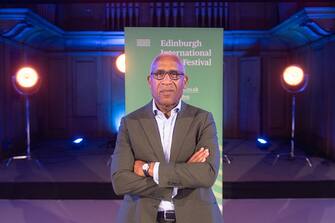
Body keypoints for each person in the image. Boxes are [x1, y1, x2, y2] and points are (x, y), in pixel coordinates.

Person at [110, 53, 221, 223]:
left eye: (175, 74)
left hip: (196, 216)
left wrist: (150, 169)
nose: (167, 81)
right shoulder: (130, 122)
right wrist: (182, 177)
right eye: (159, 74)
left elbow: (207, 174)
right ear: (150, 81)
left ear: (185, 81)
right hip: (141, 217)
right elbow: (120, 181)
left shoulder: (203, 119)